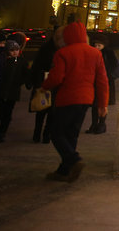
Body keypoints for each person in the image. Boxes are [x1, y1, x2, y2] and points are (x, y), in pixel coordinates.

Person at [40, 22, 108, 182]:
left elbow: (56, 77)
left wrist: (44, 87)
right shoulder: (95, 53)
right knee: (72, 134)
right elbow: (102, 81)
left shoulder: (63, 52)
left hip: (68, 98)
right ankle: (64, 171)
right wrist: (102, 104)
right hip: (86, 99)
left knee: (56, 133)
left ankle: (74, 159)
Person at [0, 38, 26, 143]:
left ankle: (1, 133)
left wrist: (20, 82)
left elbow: (25, 74)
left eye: (16, 50)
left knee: (7, 114)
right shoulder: (3, 61)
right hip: (2, 91)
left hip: (13, 92)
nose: (15, 52)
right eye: (12, 50)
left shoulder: (21, 61)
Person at [29, 27, 62, 143]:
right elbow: (37, 66)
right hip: (44, 82)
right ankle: (37, 133)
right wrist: (36, 82)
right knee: (42, 109)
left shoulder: (61, 49)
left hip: (55, 84)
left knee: (52, 112)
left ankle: (46, 134)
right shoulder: (47, 49)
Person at [86, 37, 119, 134]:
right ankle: (93, 124)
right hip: (95, 81)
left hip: (106, 81)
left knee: (103, 104)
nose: (97, 47)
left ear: (104, 45)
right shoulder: (93, 53)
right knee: (94, 105)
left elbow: (114, 65)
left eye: (99, 45)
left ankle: (101, 124)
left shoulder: (108, 53)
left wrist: (107, 73)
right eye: (95, 45)